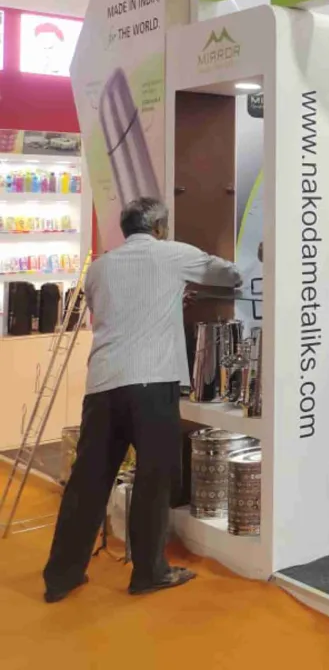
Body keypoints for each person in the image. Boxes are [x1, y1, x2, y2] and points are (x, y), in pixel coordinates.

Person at [43, 198, 242, 602]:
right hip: (152, 381)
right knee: (154, 479)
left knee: (88, 480)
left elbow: (111, 311)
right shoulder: (173, 254)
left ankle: (61, 576)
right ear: (160, 228)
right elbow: (230, 276)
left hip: (103, 382)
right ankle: (149, 572)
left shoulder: (99, 267)